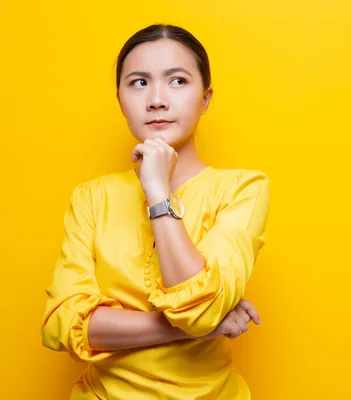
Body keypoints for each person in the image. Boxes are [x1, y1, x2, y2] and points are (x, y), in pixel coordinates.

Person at [41, 24, 269, 399]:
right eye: (139, 83)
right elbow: (62, 325)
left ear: (205, 98)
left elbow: (198, 310)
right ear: (120, 98)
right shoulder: (92, 197)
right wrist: (202, 328)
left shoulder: (243, 189)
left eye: (177, 81)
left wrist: (157, 190)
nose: (157, 100)